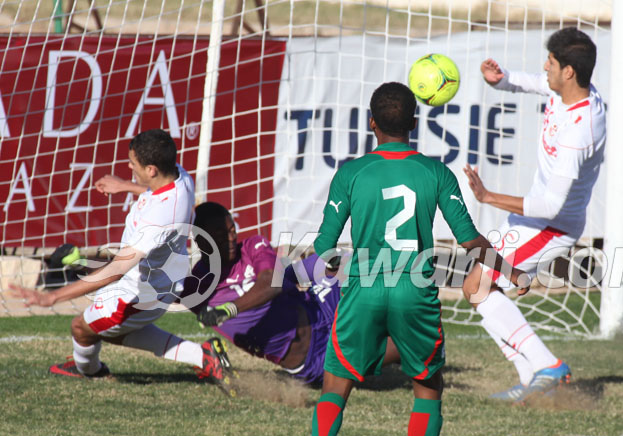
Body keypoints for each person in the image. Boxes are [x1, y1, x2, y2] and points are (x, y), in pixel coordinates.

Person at [302, 82, 530, 436]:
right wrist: (512, 271)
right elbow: (470, 240)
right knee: (427, 386)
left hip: (365, 288)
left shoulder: (351, 173)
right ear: (414, 122)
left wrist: (334, 267)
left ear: (371, 123)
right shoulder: (435, 173)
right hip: (415, 292)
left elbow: (324, 247)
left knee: (336, 383)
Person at [9, 129, 237, 396]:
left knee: (81, 329)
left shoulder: (159, 219)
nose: (129, 167)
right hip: (160, 282)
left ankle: (91, 370)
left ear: (151, 169)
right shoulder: (180, 176)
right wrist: (126, 186)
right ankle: (202, 356)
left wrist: (52, 297)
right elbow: (158, 194)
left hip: (136, 295)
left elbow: (117, 269)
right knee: (111, 331)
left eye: (133, 163)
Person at [461, 27, 606, 402]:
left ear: (568, 71)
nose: (545, 67)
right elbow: (534, 83)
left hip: (552, 225)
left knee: (478, 286)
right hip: (534, 219)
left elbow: (552, 206)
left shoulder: (580, 131)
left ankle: (547, 365)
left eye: (551, 62)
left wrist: (488, 196)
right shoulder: (567, 91)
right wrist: (503, 79)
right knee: (477, 287)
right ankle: (529, 379)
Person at [185, 201, 403, 385]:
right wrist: (194, 354)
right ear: (201, 241)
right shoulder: (196, 288)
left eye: (232, 230)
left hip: (320, 307)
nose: (231, 238)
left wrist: (229, 309)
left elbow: (272, 283)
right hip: (315, 358)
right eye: (221, 235)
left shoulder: (252, 246)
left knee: (352, 263)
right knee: (407, 343)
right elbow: (163, 296)